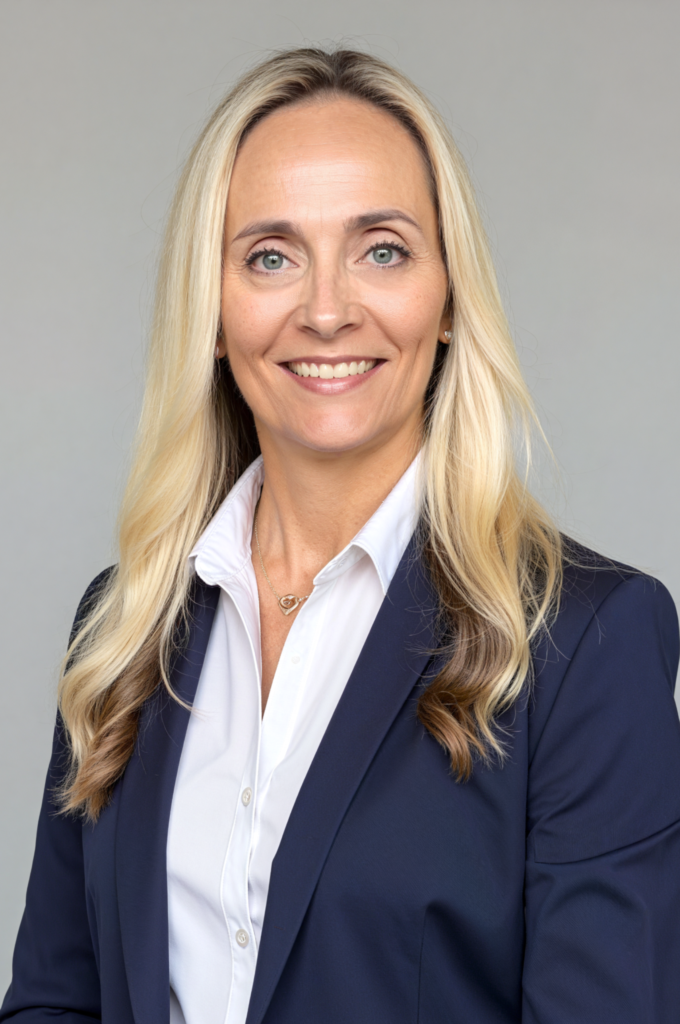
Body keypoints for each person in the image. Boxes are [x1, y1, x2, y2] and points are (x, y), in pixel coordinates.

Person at [2, 46, 680, 1024]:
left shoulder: (585, 645)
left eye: (382, 249)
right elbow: (54, 1001)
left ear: (446, 300)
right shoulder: (124, 627)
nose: (326, 310)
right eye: (270, 255)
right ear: (214, 309)